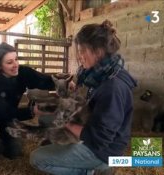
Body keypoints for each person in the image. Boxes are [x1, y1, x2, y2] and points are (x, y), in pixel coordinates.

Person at [30, 20, 137, 175]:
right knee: (46, 121)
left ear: (98, 51)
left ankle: (93, 169)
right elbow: (83, 104)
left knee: (37, 158)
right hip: (90, 127)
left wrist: (65, 122)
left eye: (82, 51)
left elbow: (99, 140)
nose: (79, 56)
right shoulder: (98, 74)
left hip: (103, 150)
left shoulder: (113, 87)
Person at [0, 42, 55, 159]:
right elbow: (5, 111)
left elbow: (43, 80)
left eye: (16, 59)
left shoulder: (23, 72)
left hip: (8, 117)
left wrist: (62, 83)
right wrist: (32, 111)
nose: (15, 64)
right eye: (9, 62)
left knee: (14, 152)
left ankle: (2, 137)